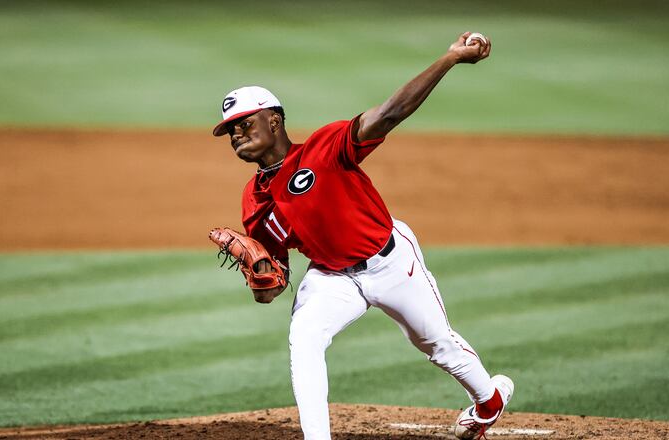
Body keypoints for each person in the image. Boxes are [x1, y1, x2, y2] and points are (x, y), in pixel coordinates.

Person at [212, 32, 512, 440]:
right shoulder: (254, 200)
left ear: (274, 120)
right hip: (332, 277)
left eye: (243, 124)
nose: (236, 135)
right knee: (304, 340)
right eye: (230, 130)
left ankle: (489, 401)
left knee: (437, 344)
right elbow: (273, 283)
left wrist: (451, 58)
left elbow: (390, 113)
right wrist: (263, 278)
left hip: (390, 261)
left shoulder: (325, 147)